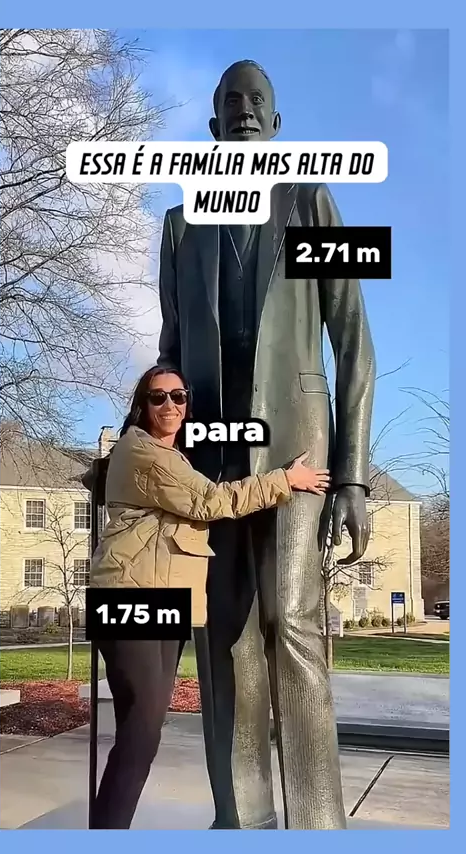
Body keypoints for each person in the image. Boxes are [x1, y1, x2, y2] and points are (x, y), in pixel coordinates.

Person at [157, 60, 376, 829]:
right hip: (209, 462)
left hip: (299, 456)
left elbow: (355, 346)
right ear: (214, 125)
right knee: (223, 639)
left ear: (276, 125)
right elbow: (171, 353)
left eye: (257, 101)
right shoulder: (180, 225)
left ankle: (318, 823)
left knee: (293, 624)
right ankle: (240, 821)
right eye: (231, 101)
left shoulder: (313, 201)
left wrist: (354, 478)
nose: (244, 111)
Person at [86, 365, 331, 830]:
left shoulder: (168, 452)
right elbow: (210, 502)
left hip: (163, 596)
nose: (170, 405)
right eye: (158, 397)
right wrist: (286, 479)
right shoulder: (144, 452)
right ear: (142, 405)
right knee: (141, 733)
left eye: (179, 396)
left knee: (141, 733)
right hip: (128, 596)